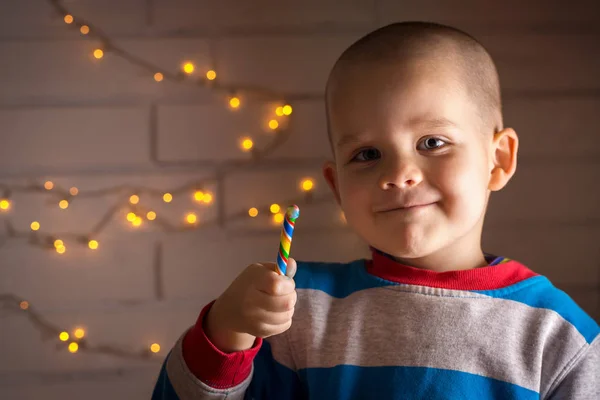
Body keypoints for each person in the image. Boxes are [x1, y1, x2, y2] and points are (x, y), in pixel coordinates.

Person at [152, 22, 600, 399]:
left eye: (432, 143)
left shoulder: (560, 335)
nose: (400, 173)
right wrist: (226, 330)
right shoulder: (296, 310)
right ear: (337, 187)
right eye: (367, 154)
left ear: (498, 160)